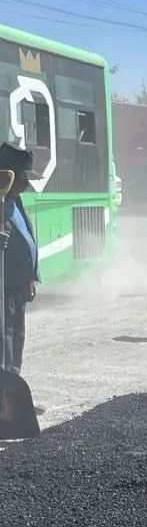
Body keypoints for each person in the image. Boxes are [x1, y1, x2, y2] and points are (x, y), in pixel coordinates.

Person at [0, 143, 41, 376]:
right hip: (3, 282)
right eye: (25, 176)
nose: (28, 182)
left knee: (18, 334)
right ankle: (4, 385)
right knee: (3, 335)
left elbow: (28, 237)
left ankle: (14, 381)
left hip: (19, 282)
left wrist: (32, 277)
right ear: (9, 175)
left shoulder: (15, 200)